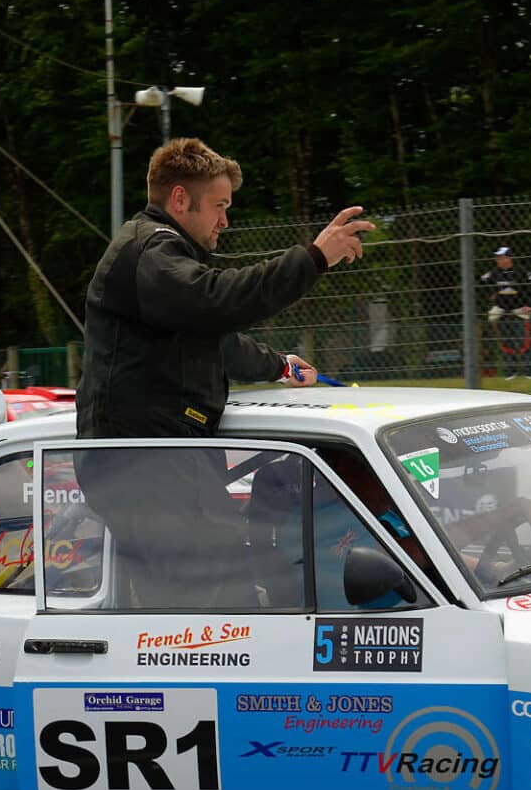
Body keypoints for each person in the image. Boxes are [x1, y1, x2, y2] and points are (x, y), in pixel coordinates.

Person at [73, 137, 372, 607]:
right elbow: (218, 301)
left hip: (160, 456)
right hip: (142, 462)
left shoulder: (164, 260)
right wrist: (314, 258)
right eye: (218, 206)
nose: (225, 221)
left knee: (215, 595)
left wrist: (278, 365)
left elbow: (211, 336)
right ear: (178, 199)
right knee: (216, 605)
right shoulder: (150, 252)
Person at [480, 246, 531, 378]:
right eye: (497, 258)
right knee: (506, 341)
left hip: (519, 309)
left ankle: (528, 371)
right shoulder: (494, 273)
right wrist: (491, 295)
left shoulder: (521, 271)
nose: (498, 260)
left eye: (501, 257)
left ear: (509, 258)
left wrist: (530, 304)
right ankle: (511, 371)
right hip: (502, 310)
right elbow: (482, 283)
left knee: (524, 340)